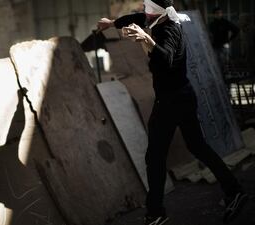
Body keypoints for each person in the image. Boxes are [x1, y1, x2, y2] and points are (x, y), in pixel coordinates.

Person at [97, 0, 247, 224]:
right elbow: (136, 18)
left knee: (155, 156)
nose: (144, 12)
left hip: (171, 101)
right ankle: (234, 190)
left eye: (148, 8)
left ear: (158, 11)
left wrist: (148, 40)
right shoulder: (158, 19)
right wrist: (112, 23)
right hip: (182, 96)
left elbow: (167, 59)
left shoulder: (170, 29)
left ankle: (155, 214)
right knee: (197, 146)